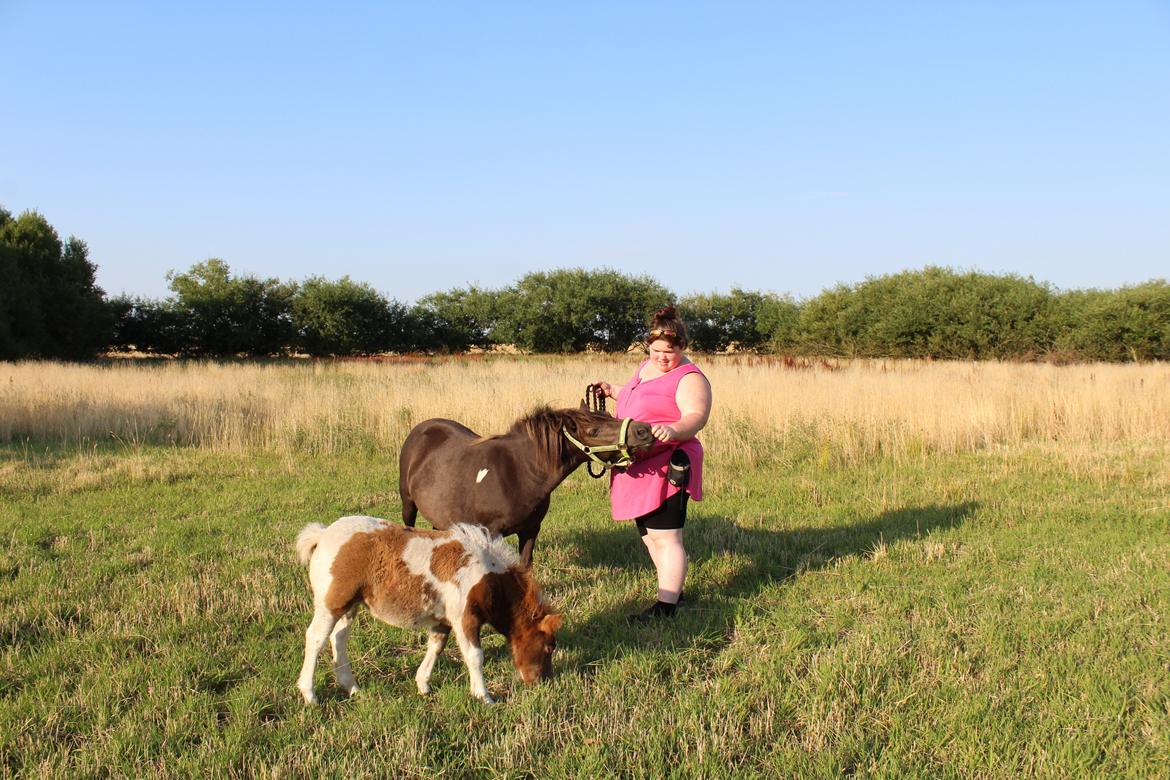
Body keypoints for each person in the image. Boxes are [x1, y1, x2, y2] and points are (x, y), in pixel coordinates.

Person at [593, 306, 712, 622]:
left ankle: (666, 608)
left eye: (669, 352)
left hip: (667, 463)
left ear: (682, 347)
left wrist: (674, 429)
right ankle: (672, 590)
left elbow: (695, 417)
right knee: (648, 534)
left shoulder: (689, 378)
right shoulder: (646, 367)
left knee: (666, 536)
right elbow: (640, 398)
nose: (662, 358)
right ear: (648, 346)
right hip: (638, 463)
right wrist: (613, 391)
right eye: (656, 350)